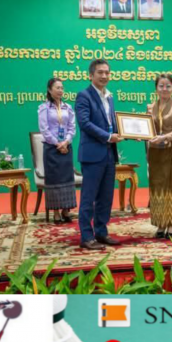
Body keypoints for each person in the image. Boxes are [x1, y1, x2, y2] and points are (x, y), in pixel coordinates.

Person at [76, 59, 123, 250]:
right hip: (92, 154)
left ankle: (101, 232)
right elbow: (84, 123)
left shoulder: (109, 97)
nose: (104, 76)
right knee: (89, 197)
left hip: (109, 154)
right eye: (100, 72)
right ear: (91, 75)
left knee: (105, 197)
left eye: (107, 73)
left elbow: (111, 123)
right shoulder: (84, 95)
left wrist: (128, 133)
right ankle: (86, 236)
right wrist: (108, 137)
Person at [147, 75, 172, 239]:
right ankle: (160, 224)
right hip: (155, 152)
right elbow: (147, 128)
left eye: (168, 86)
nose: (164, 89)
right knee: (158, 187)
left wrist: (164, 137)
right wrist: (140, 135)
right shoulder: (150, 107)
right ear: (156, 88)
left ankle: (171, 225)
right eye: (161, 86)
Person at [38, 78, 77, 224]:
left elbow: (72, 128)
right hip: (51, 149)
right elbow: (44, 129)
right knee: (54, 179)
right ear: (50, 90)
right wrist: (57, 143)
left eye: (62, 88)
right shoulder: (44, 108)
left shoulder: (68, 107)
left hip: (66, 148)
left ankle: (66, 211)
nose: (60, 90)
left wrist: (66, 142)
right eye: (57, 88)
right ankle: (55, 213)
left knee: (67, 178)